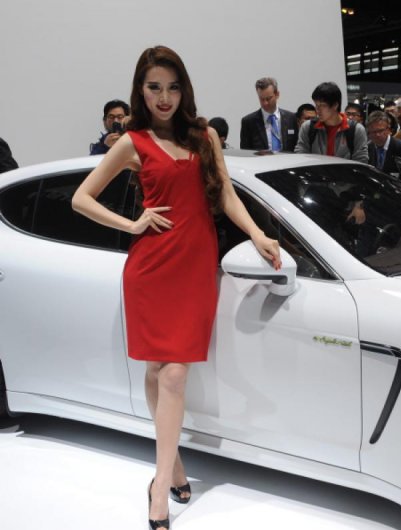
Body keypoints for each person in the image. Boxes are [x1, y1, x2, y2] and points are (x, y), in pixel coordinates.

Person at [71, 45, 281, 530]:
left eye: (172, 87)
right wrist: (132, 223)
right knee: (159, 373)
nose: (164, 97)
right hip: (151, 267)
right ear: (140, 91)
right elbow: (82, 198)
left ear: (184, 90)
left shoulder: (205, 136)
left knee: (171, 375)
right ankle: (167, 478)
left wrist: (256, 233)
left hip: (194, 266)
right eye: (154, 88)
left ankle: (164, 477)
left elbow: (225, 192)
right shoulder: (132, 142)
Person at [294, 81, 368, 163]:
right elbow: (301, 157)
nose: (317, 110)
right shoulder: (308, 127)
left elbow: (361, 162)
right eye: (316, 105)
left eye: (322, 105)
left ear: (335, 105)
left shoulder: (356, 130)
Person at [240, 77, 298, 152]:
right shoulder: (248, 122)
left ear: (277, 94)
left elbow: (296, 146)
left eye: (268, 98)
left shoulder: (291, 118)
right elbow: (245, 152)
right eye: (261, 99)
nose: (265, 103)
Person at [366, 110, 401, 174]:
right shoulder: (367, 148)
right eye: (374, 131)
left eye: (380, 130)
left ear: (389, 129)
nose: (377, 134)